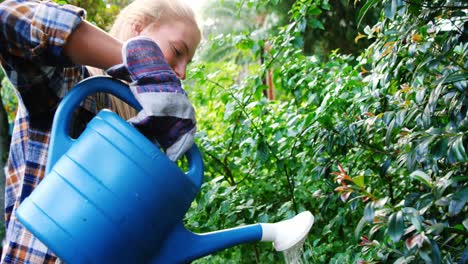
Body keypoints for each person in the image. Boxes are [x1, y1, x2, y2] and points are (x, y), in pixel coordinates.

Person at [0, 0, 201, 262]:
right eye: (177, 51)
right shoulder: (72, 90)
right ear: (137, 30)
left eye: (189, 63)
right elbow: (8, 20)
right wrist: (138, 63)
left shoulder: (147, 134)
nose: (182, 73)